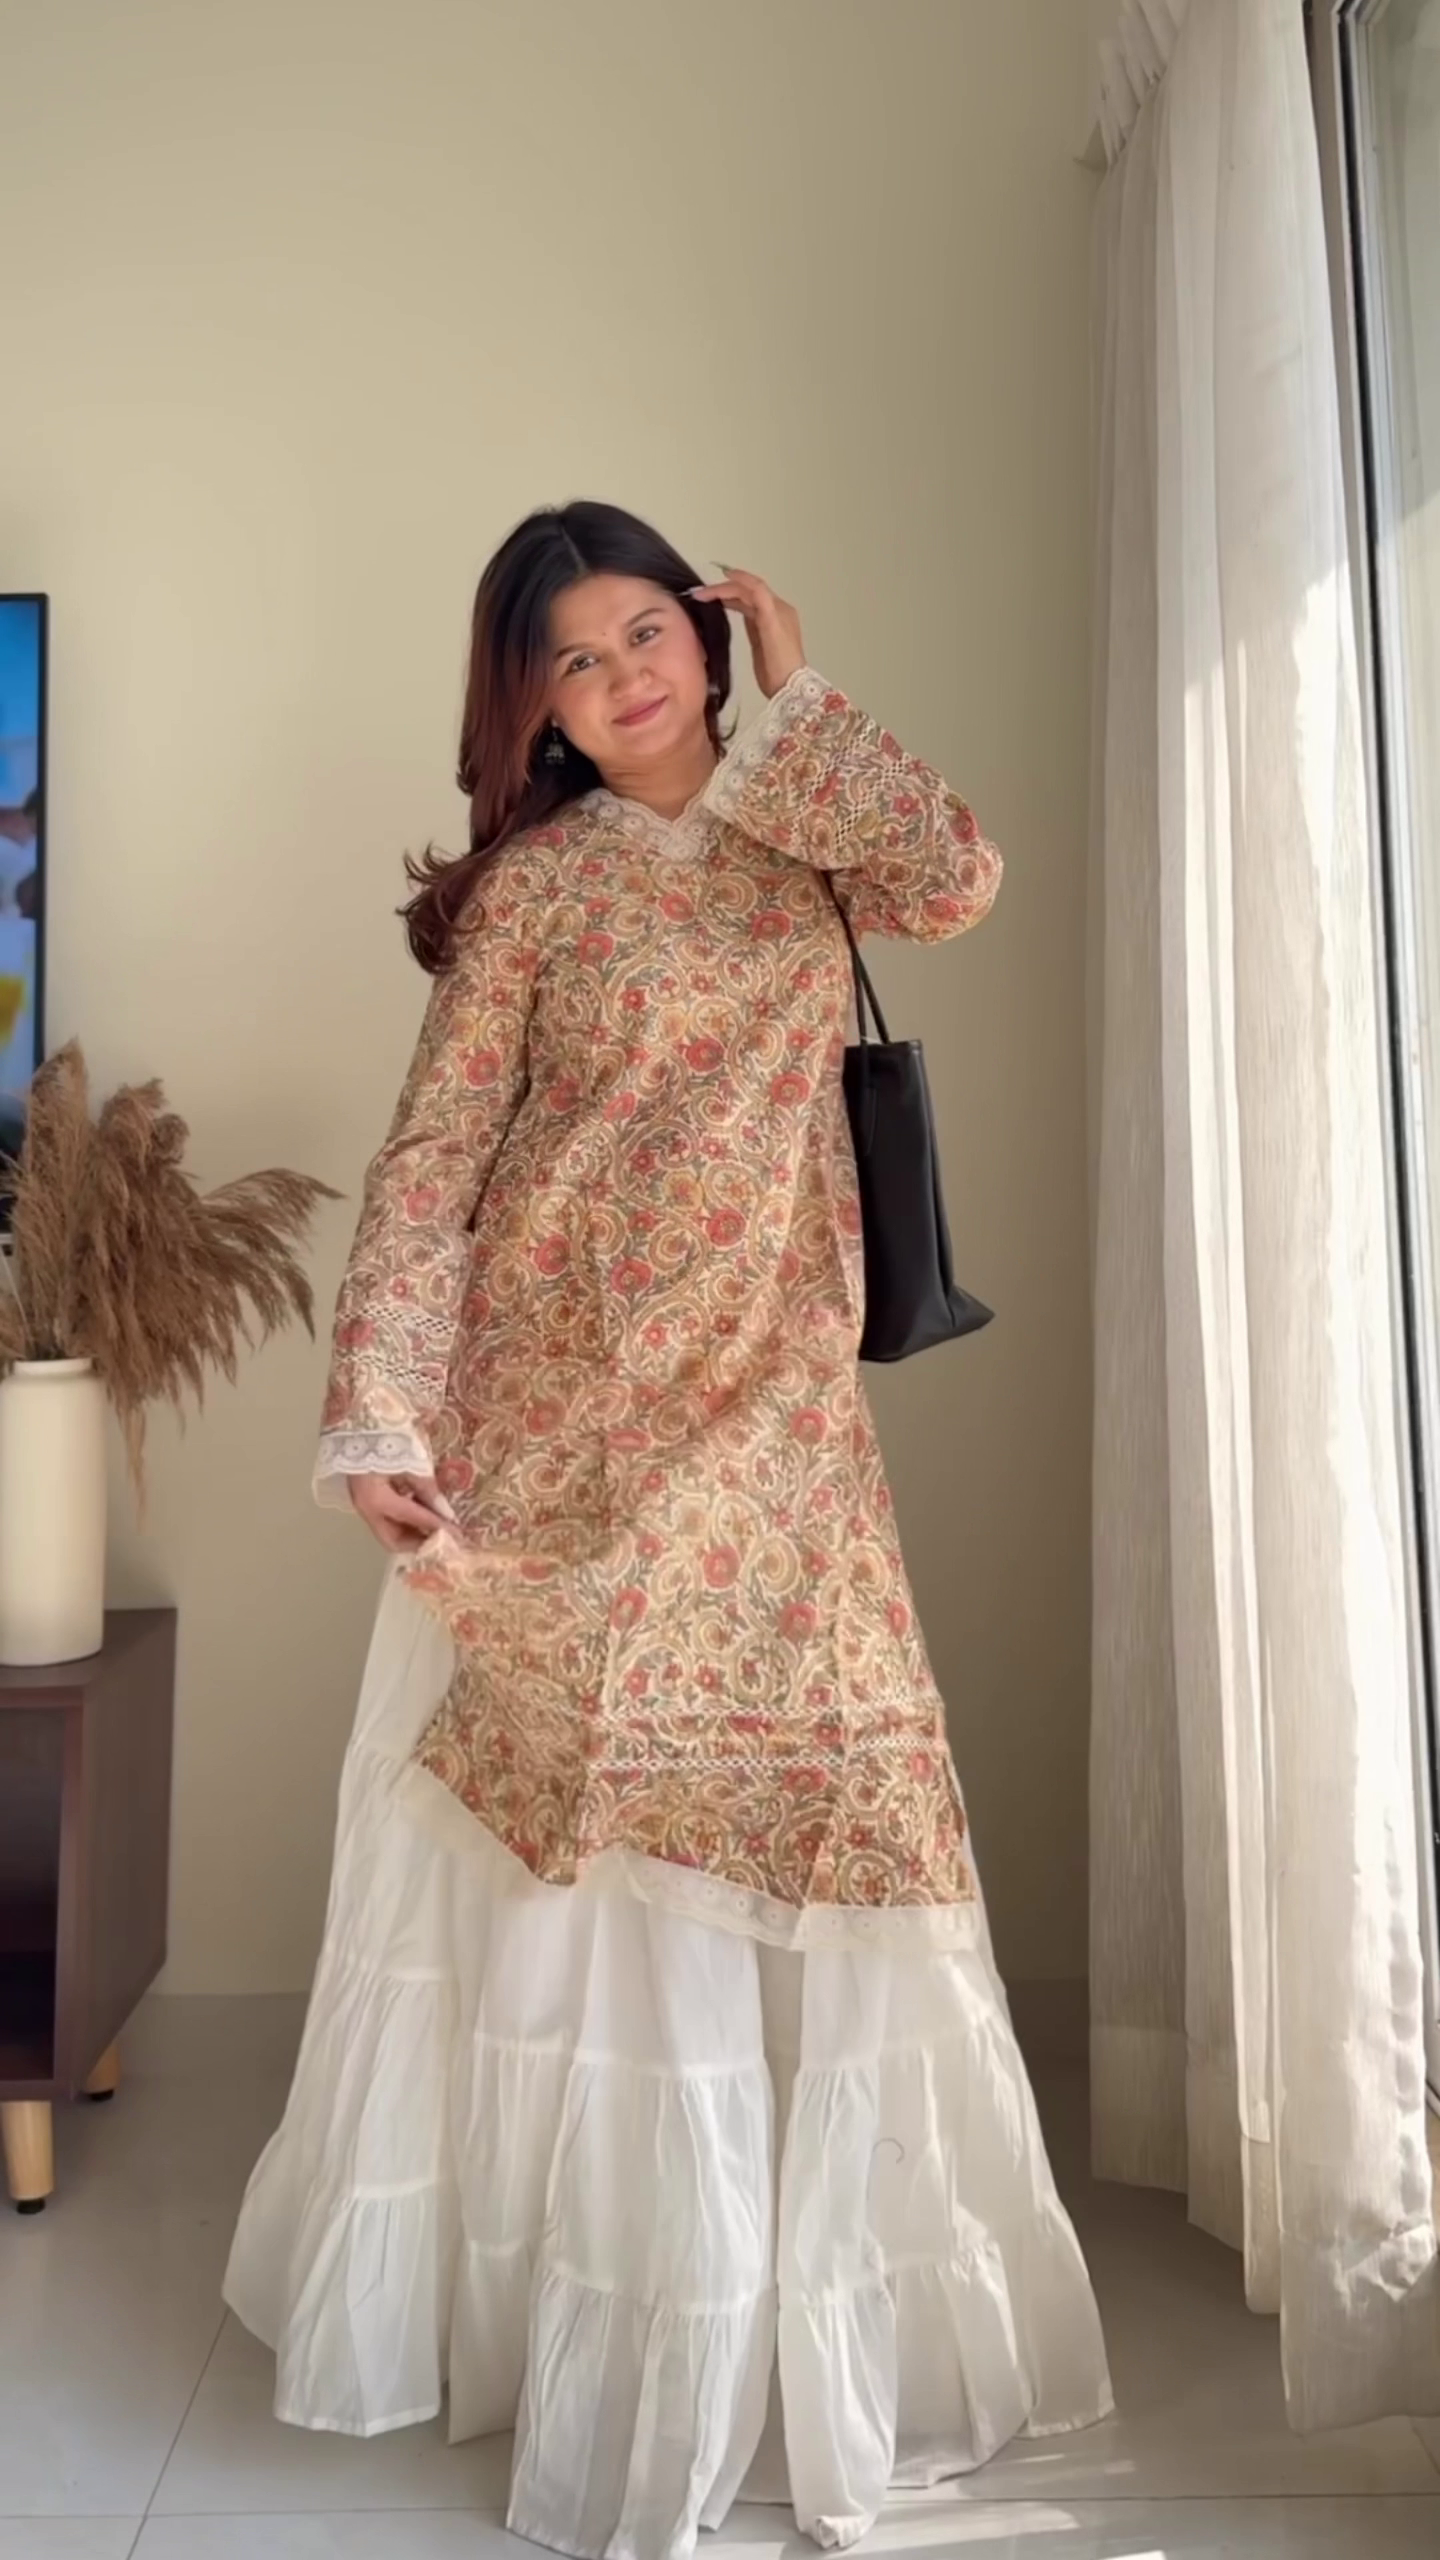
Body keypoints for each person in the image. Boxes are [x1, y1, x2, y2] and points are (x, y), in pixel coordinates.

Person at [224, 502, 1111, 2558]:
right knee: (586, 1856)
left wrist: (805, 692)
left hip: (776, 1412)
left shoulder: (812, 826)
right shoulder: (533, 896)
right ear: (531, 708)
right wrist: (380, 1409)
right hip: (556, 1419)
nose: (625, 679)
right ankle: (599, 2333)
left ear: (707, 638)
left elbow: (959, 875)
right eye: (576, 658)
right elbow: (434, 1162)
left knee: (801, 1826)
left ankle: (773, 2350)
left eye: (650, 633)